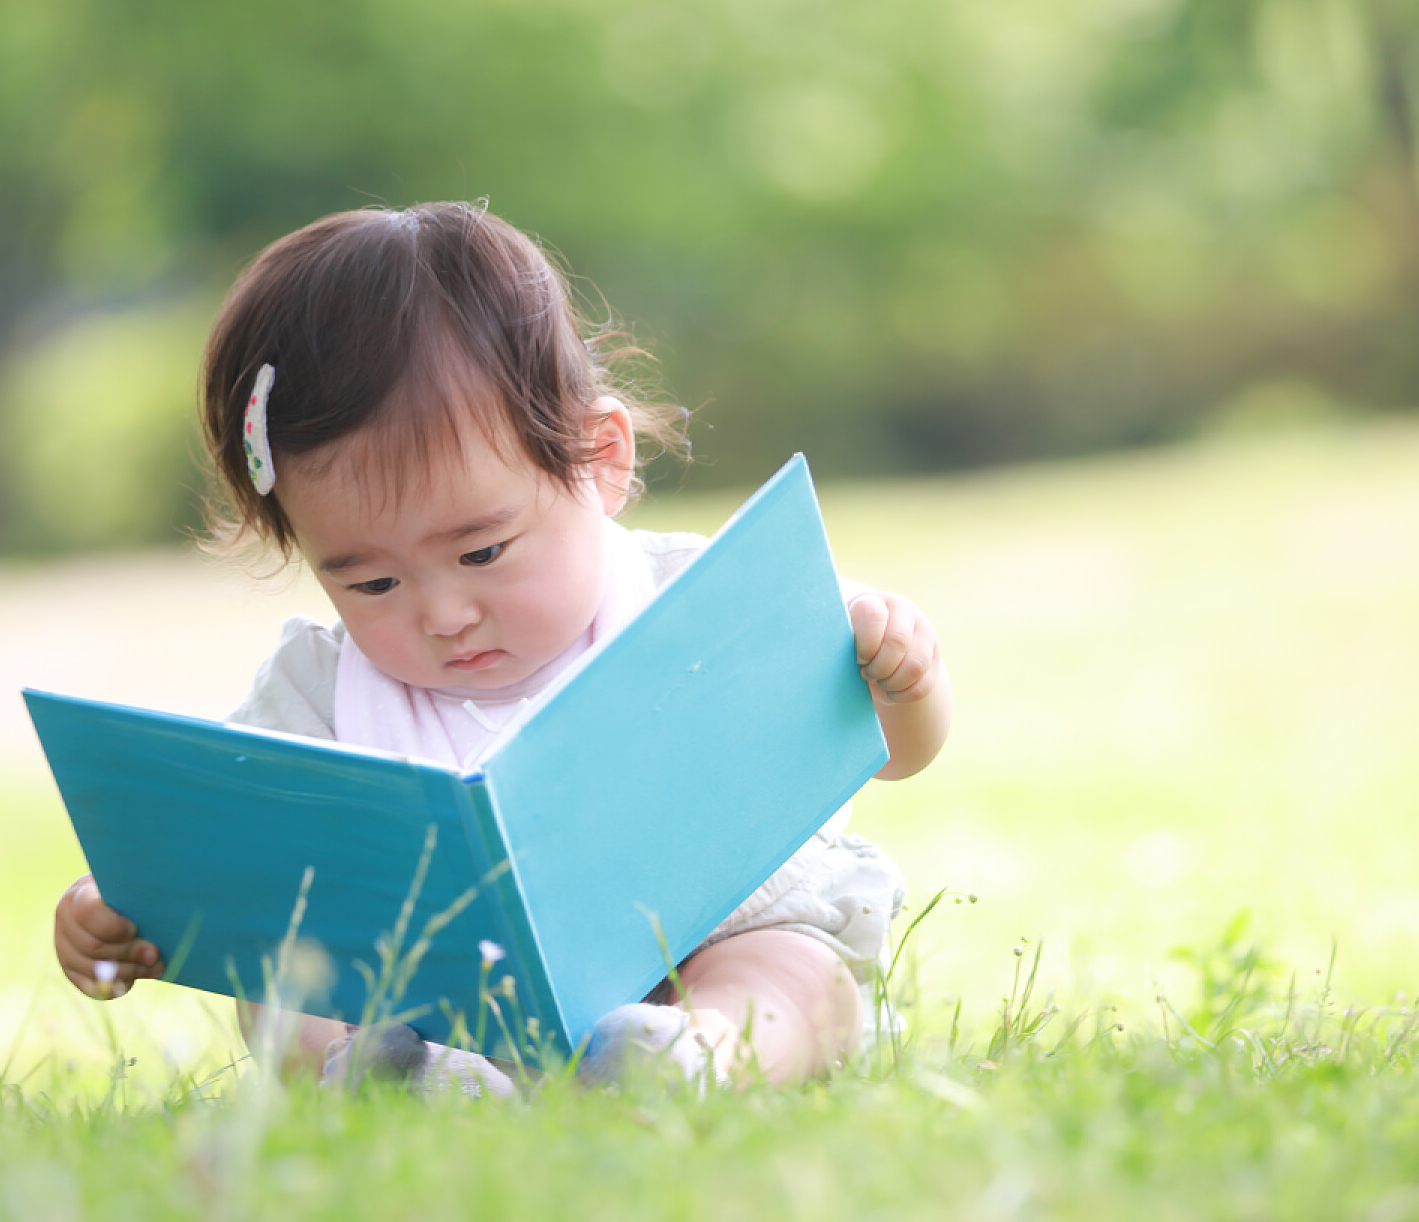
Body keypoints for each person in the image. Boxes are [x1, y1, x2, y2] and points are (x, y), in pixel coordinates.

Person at [49, 202, 953, 1092]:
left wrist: (901, 682)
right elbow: (231, 860)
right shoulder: (316, 692)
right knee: (288, 990)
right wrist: (121, 907)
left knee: (798, 977)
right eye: (372, 584)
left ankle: (694, 1057)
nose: (443, 614)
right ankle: (401, 1082)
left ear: (599, 460)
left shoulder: (698, 600)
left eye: (481, 553)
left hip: (714, 942)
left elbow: (887, 753)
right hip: (440, 1007)